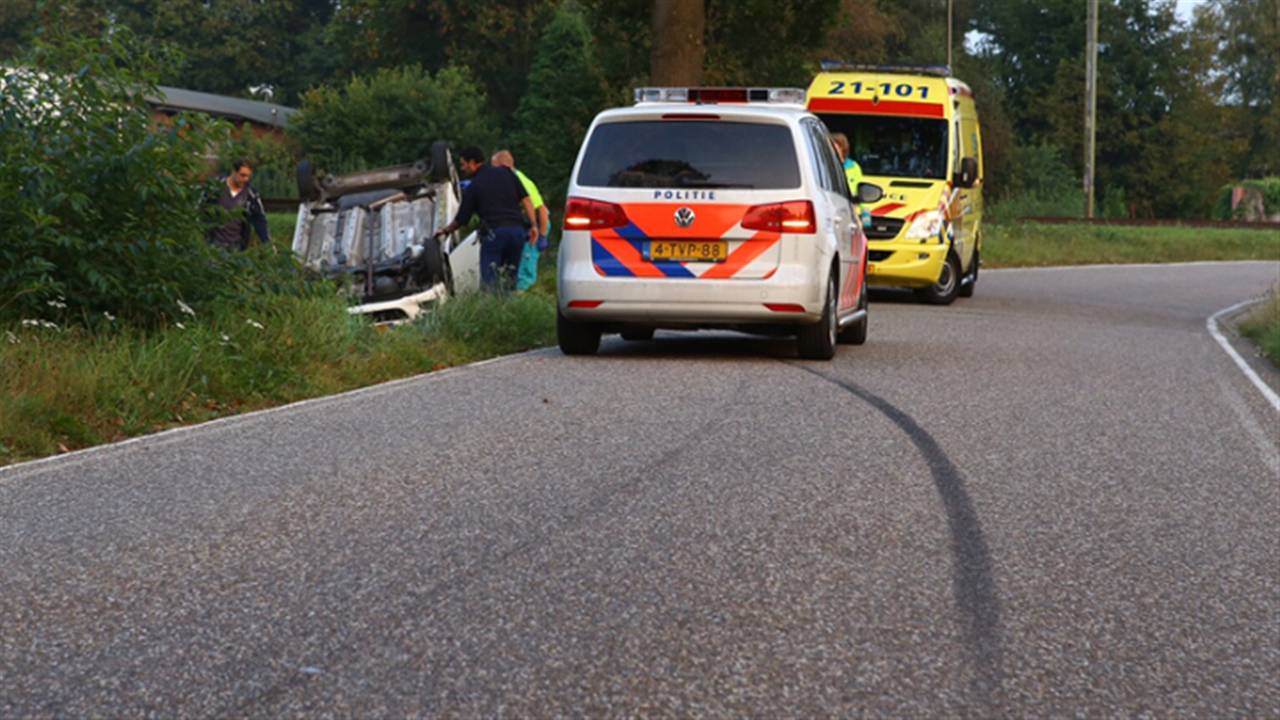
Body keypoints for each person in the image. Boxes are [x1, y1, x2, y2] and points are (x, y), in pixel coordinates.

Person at [435, 146, 538, 290]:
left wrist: (445, 231)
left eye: (463, 164)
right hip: (517, 232)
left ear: (472, 163)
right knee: (510, 279)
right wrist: (533, 225)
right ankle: (509, 308)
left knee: (490, 282)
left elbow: (461, 219)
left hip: (495, 234)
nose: (463, 168)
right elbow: (527, 200)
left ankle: (494, 310)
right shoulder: (506, 172)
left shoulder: (474, 186)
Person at [491, 149, 549, 291]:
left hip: (536, 225)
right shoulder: (511, 179)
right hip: (527, 225)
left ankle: (525, 295)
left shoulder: (519, 180)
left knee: (526, 265)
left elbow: (541, 209)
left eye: (494, 167)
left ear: (503, 166)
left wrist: (542, 235)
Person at [207, 159, 270, 251]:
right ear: (234, 172)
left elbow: (260, 219)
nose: (245, 179)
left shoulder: (251, 195)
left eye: (248, 176)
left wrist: (267, 243)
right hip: (214, 244)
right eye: (242, 175)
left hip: (236, 245)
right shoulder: (215, 188)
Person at [830, 132, 871, 229]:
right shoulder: (826, 166)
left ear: (843, 149)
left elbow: (861, 192)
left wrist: (866, 216)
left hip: (852, 215)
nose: (833, 151)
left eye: (836, 148)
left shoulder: (853, 167)